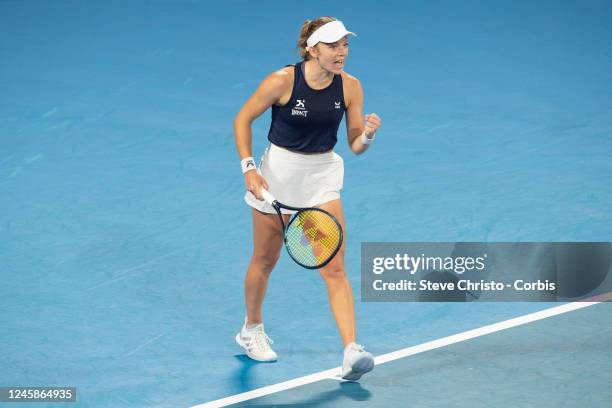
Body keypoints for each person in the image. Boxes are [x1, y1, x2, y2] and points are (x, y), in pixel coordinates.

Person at [233, 16, 381, 381]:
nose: (341, 52)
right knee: (265, 260)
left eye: (345, 45)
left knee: (334, 266)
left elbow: (355, 144)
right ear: (312, 49)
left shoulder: (350, 87)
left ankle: (351, 350)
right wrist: (249, 168)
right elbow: (242, 119)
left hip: (322, 179)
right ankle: (251, 329)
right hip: (277, 176)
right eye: (333, 46)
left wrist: (369, 136)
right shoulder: (282, 81)